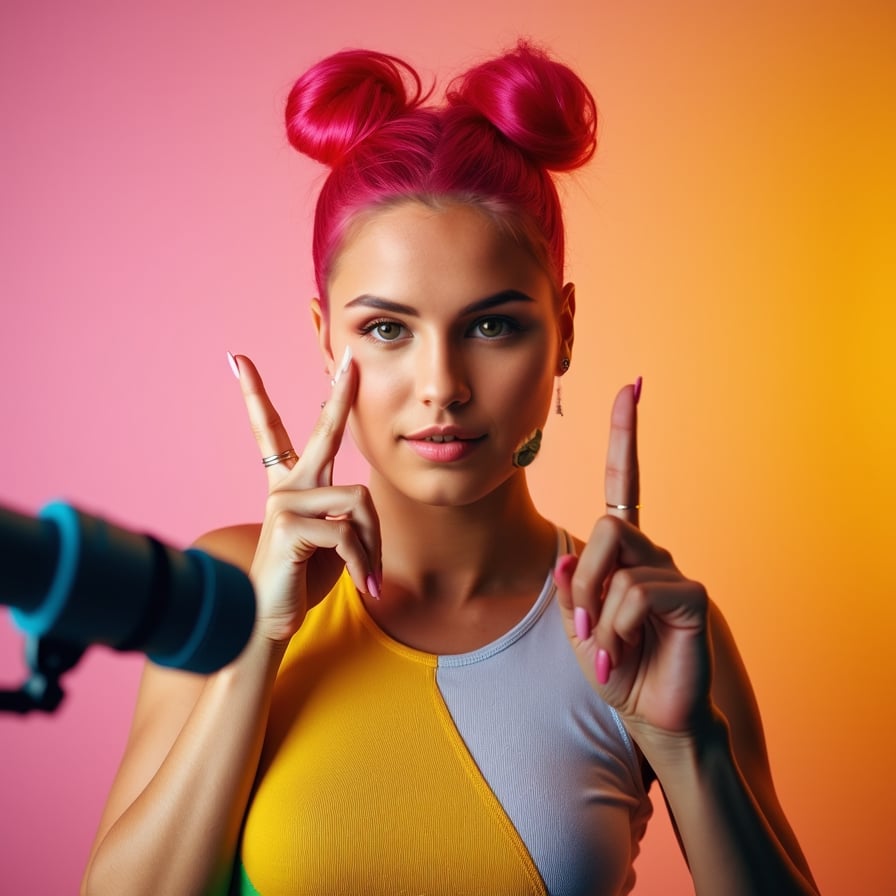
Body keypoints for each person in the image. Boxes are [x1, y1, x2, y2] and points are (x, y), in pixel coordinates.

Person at [81, 42, 819, 896]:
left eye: (493, 326)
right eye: (388, 329)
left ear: (564, 329)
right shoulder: (227, 585)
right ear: (327, 339)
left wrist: (690, 748)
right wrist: (259, 643)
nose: (442, 388)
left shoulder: (649, 625)